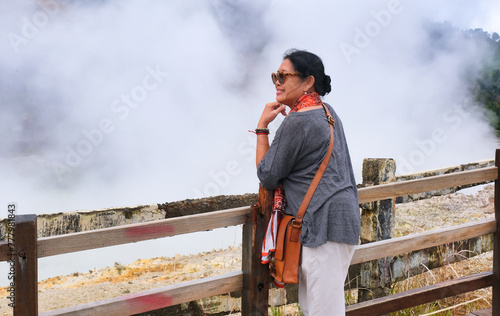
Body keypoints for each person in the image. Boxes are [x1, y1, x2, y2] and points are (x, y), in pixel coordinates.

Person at [255, 49, 360, 315]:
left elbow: (267, 175)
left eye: (284, 75)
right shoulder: (326, 110)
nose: (277, 82)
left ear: (308, 81)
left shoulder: (298, 121)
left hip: (321, 227)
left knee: (323, 311)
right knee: (319, 306)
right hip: (340, 222)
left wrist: (262, 127)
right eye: (275, 76)